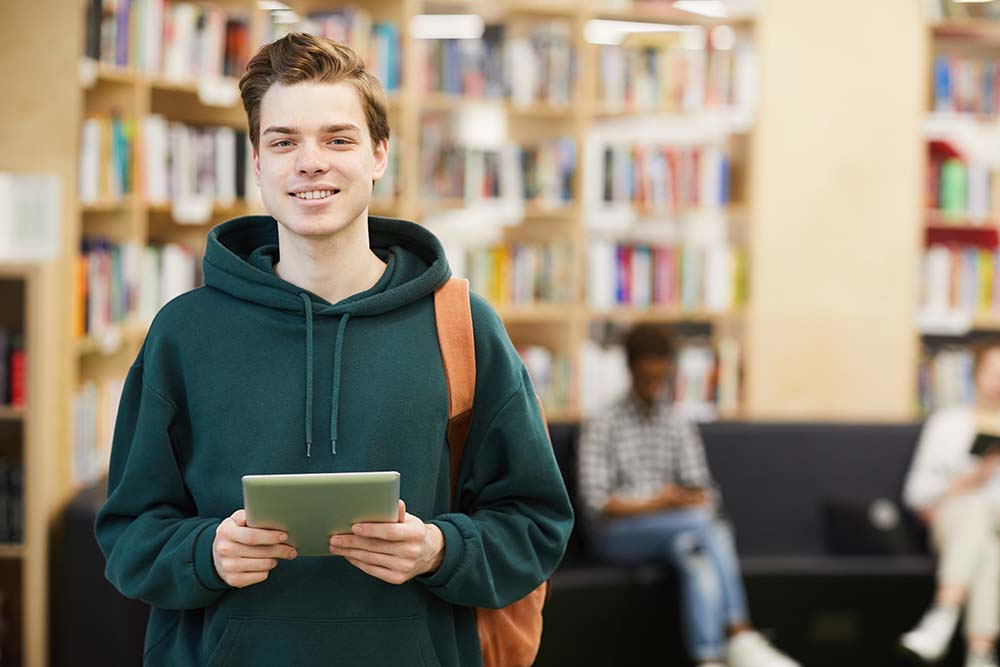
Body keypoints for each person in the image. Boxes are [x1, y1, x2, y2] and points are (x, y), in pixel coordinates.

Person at [94, 32, 573, 666]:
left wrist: (439, 549)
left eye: (338, 139)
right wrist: (203, 553)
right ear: (258, 162)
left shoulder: (463, 326)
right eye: (284, 140)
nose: (310, 162)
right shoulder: (184, 333)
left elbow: (536, 524)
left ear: (379, 155)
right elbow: (128, 534)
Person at [577, 324, 800, 667]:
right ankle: (740, 633)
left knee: (695, 556)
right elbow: (597, 504)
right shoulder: (602, 422)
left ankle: (708, 657)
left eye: (661, 377)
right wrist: (660, 502)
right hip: (616, 537)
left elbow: (704, 492)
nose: (655, 385)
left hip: (679, 530)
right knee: (708, 527)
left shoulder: (678, 422)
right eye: (647, 376)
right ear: (631, 369)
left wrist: (680, 500)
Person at [900, 338, 1000, 667]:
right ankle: (980, 653)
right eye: (991, 373)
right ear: (975, 375)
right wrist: (967, 482)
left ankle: (943, 615)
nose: (997, 382)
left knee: (991, 540)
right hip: (951, 522)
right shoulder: (947, 423)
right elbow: (916, 494)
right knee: (978, 519)